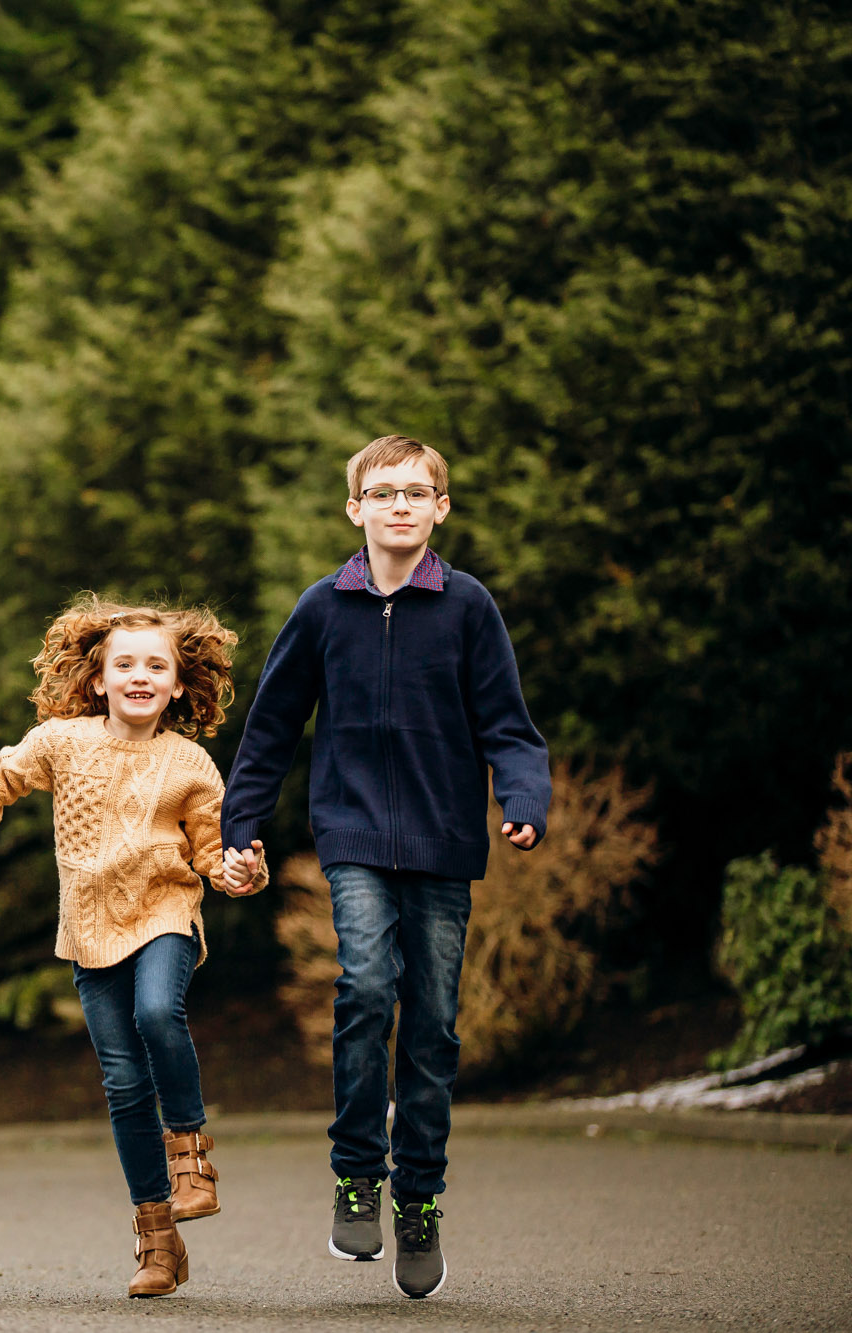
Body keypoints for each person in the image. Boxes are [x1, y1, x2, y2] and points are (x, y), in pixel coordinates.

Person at [219, 435, 551, 1300]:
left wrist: (523, 796)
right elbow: (271, 725)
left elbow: (509, 725)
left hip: (443, 842)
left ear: (441, 508)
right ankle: (358, 1172)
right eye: (382, 491)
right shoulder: (324, 607)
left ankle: (421, 1197)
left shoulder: (469, 607)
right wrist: (241, 823)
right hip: (354, 833)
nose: (399, 504)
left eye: (416, 492)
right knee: (367, 984)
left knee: (434, 1020)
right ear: (354, 508)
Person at [0, 595, 265, 1299]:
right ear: (98, 678)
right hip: (89, 931)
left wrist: (240, 870)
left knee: (160, 1013)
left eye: (155, 665)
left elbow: (213, 853)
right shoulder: (62, 740)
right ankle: (157, 1239)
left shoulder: (190, 762)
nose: (140, 674)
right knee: (125, 1084)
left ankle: (191, 1156)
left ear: (176, 681)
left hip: (164, 911)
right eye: (124, 663)